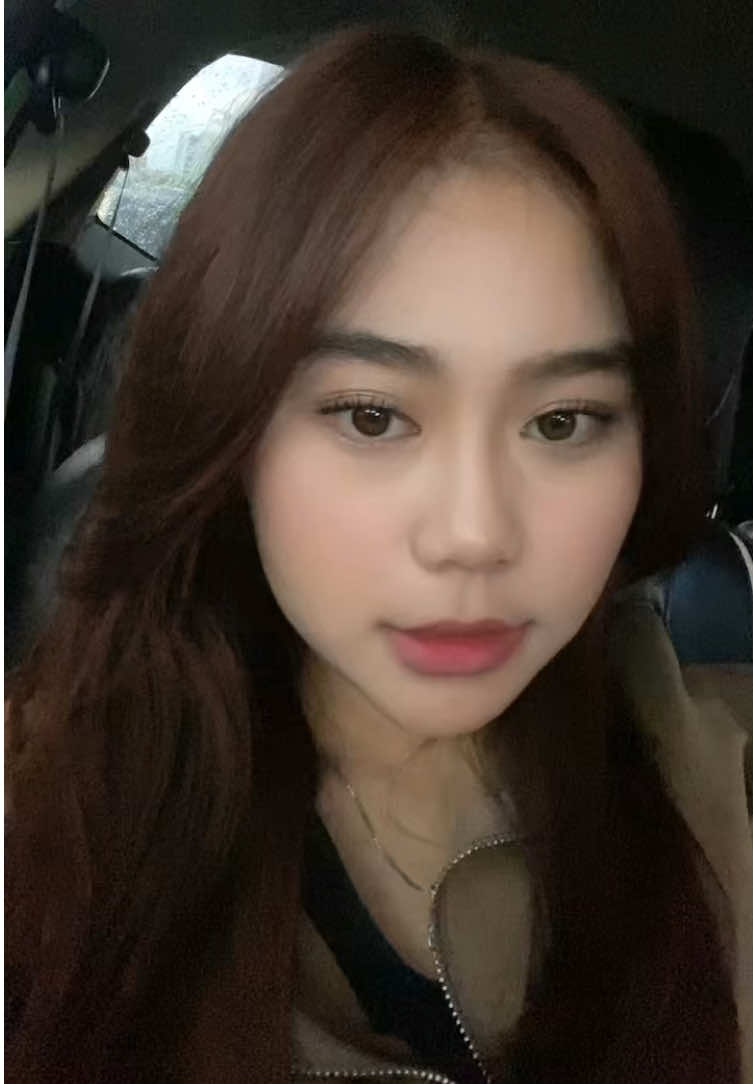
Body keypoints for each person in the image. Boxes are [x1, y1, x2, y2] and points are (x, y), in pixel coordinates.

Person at [5, 25, 752, 1084]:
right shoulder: (47, 816)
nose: (474, 535)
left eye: (563, 421)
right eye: (370, 415)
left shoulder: (718, 781)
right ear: (232, 429)